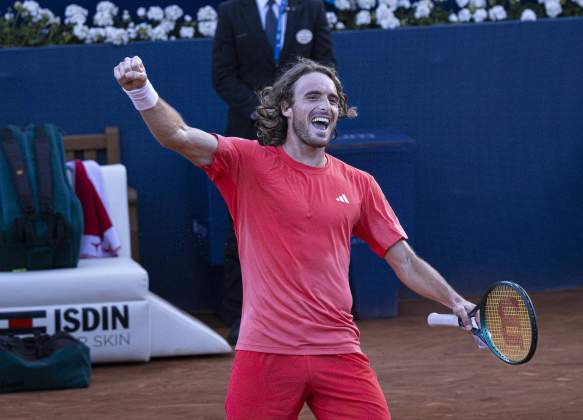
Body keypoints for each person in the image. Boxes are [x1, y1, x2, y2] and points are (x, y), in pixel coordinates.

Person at [114, 56, 477, 420]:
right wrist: (141, 91)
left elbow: (406, 261)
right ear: (286, 107)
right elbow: (175, 136)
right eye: (313, 97)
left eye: (333, 100)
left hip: (338, 351)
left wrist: (455, 300)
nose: (326, 106)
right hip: (266, 352)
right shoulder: (246, 162)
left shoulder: (360, 185)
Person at [212, 0, 336, 344]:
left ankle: (316, 312)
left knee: (311, 220)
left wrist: (298, 111)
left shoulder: (310, 7)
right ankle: (240, 316)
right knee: (242, 223)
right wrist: (268, 110)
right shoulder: (231, 10)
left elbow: (326, 69)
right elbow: (223, 76)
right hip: (249, 131)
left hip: (302, 134)